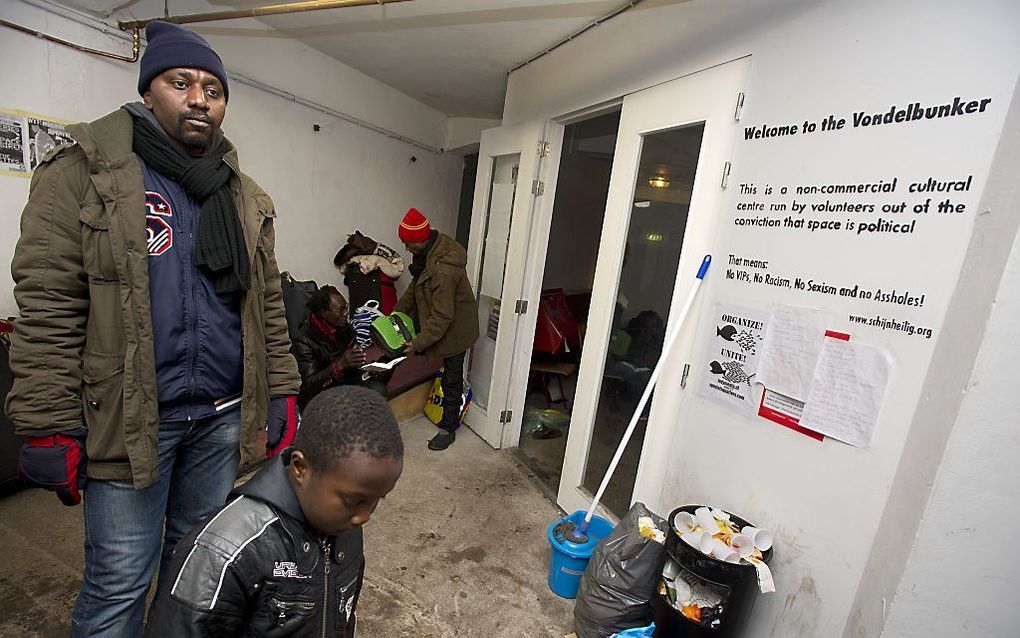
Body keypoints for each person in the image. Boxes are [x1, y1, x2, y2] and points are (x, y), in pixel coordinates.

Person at [5, 21, 301, 637]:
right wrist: (46, 419)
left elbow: (266, 304)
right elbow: (50, 306)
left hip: (219, 417)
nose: (200, 98)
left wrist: (280, 388)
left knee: (193, 569)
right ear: (148, 92)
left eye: (214, 89)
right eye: (181, 82)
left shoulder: (244, 197)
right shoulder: (84, 176)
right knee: (119, 582)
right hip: (131, 419)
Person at [146, 385, 403, 637]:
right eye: (352, 501)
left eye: (376, 500)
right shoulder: (223, 552)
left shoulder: (345, 527)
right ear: (300, 467)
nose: (364, 517)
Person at [394, 207, 479, 450]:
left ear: (420, 239)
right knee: (444, 369)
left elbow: (443, 316)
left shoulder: (443, 270)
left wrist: (418, 342)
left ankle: (448, 428)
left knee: (452, 378)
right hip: (445, 322)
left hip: (457, 330)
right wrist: (395, 315)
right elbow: (414, 288)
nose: (406, 248)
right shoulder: (427, 255)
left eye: (407, 243)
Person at [293, 285, 389, 407]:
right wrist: (339, 365)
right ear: (324, 313)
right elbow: (310, 385)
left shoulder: (344, 327)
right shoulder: (304, 341)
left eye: (346, 308)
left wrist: (367, 370)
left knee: (378, 389)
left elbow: (355, 364)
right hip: (322, 394)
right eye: (341, 310)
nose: (346, 313)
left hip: (346, 383)